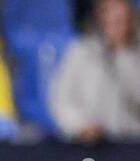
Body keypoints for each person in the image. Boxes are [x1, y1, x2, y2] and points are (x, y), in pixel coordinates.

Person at [51, 0, 140, 142]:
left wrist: (123, 53)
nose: (119, 26)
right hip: (93, 145)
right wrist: (80, 125)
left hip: (133, 143)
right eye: (114, 20)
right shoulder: (81, 51)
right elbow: (62, 100)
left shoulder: (135, 54)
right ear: (101, 18)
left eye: (123, 20)